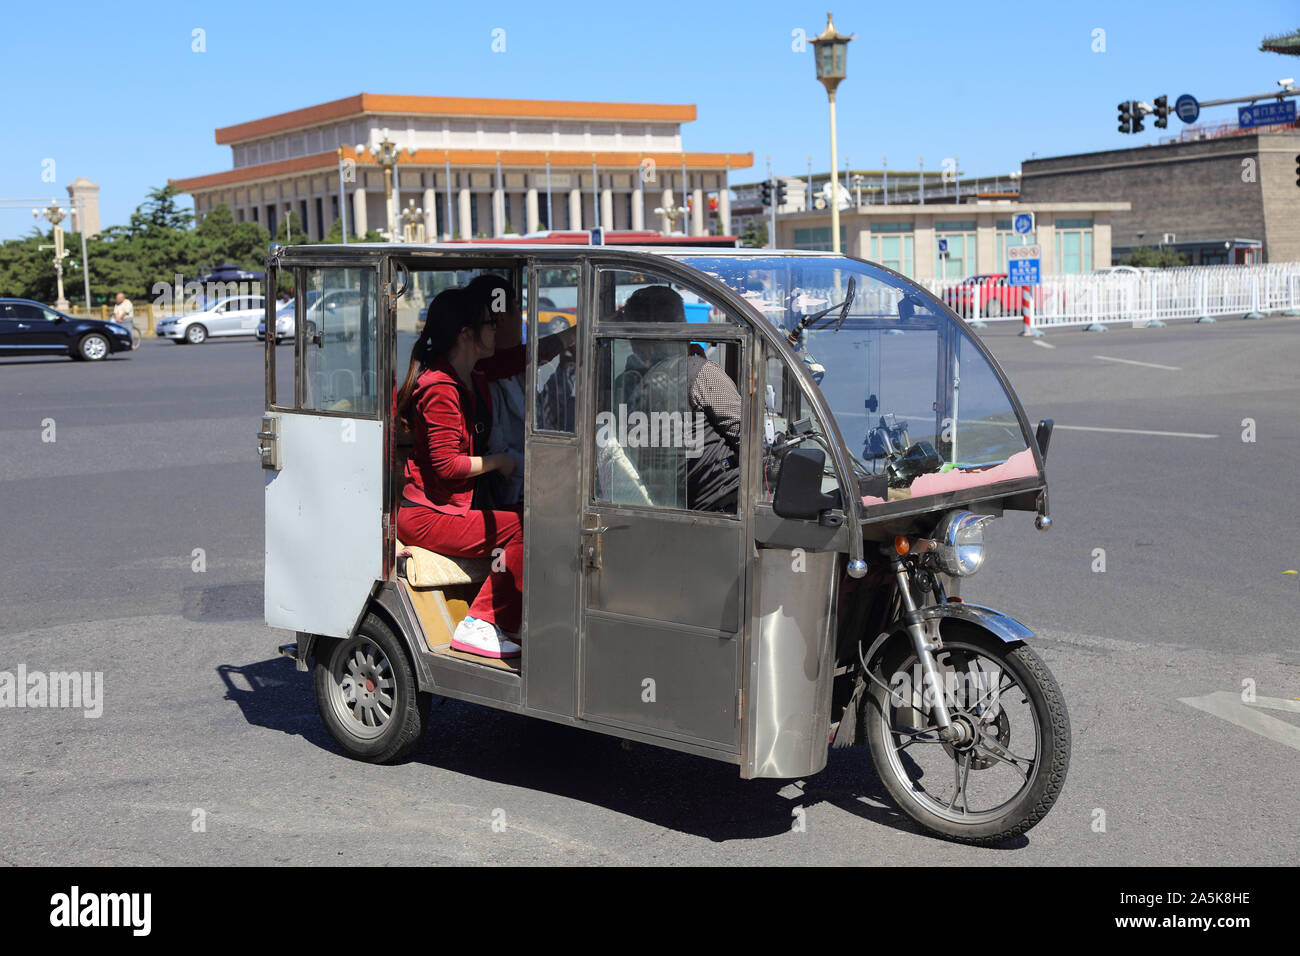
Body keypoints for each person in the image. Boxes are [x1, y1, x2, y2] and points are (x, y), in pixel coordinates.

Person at [394, 280, 574, 658]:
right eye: (489, 323)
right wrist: (500, 462)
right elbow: (446, 465)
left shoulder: (471, 373)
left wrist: (574, 335)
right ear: (466, 334)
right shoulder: (440, 388)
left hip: (451, 508)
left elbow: (523, 357)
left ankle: (519, 619)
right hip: (429, 515)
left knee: (537, 518)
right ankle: (482, 622)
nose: (497, 328)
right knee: (524, 528)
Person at [614, 285, 742, 513]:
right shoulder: (701, 373)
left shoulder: (624, 385)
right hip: (710, 506)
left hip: (684, 506)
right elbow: (752, 441)